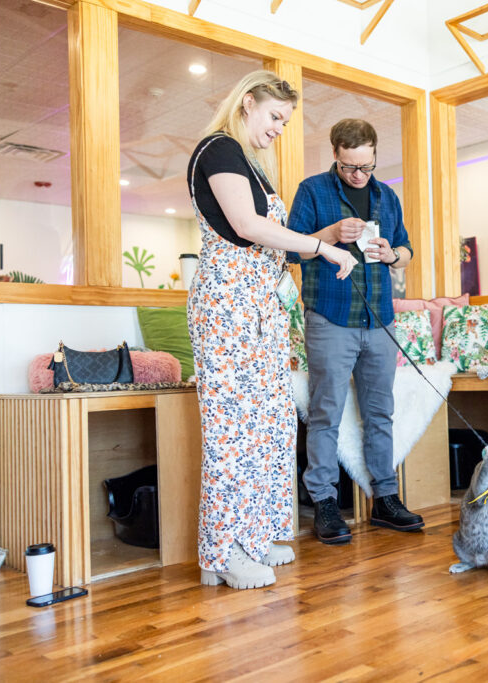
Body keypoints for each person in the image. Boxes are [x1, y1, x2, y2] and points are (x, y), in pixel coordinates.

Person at [186, 71, 356, 589]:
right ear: (247, 102)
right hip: (228, 312)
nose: (280, 128)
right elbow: (248, 226)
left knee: (269, 426)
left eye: (285, 121)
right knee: (233, 432)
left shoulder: (251, 165)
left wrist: (323, 240)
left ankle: (253, 535)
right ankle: (223, 553)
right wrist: (323, 248)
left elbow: (273, 241)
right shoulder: (219, 150)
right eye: (275, 116)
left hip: (259, 313)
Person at [287, 118, 423, 544]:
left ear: (375, 155)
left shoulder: (387, 196)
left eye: (366, 166)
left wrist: (392, 254)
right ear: (335, 155)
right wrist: (329, 234)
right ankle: (325, 503)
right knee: (325, 412)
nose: (359, 175)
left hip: (379, 317)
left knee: (380, 412)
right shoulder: (312, 190)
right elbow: (290, 249)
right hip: (330, 316)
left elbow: (407, 250)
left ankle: (385, 499)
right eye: (349, 167)